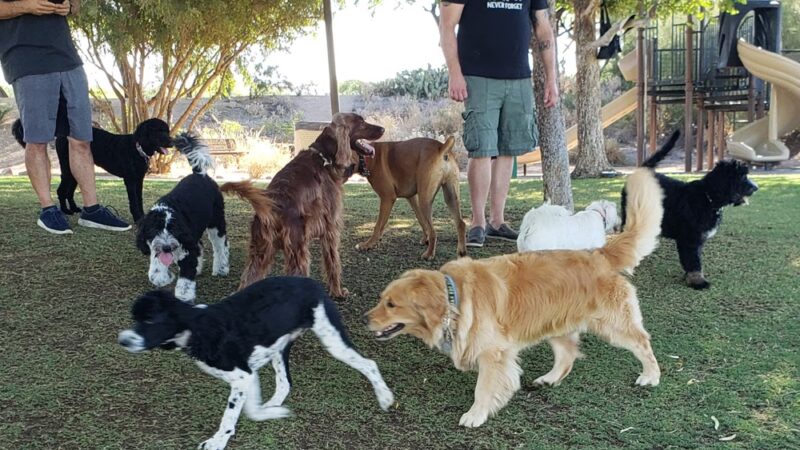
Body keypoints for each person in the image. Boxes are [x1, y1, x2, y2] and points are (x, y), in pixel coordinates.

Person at [0, 0, 130, 234]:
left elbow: (77, 6)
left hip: (68, 59)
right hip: (26, 61)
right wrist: (27, 6)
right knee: (37, 140)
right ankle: (48, 210)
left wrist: (69, 6)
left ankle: (92, 210)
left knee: (81, 138)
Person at [440, 0, 559, 247]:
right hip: (478, 76)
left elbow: (544, 28)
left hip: (518, 77)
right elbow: (447, 24)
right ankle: (478, 223)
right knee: (482, 148)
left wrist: (551, 79)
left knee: (508, 150)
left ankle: (497, 221)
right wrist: (454, 72)